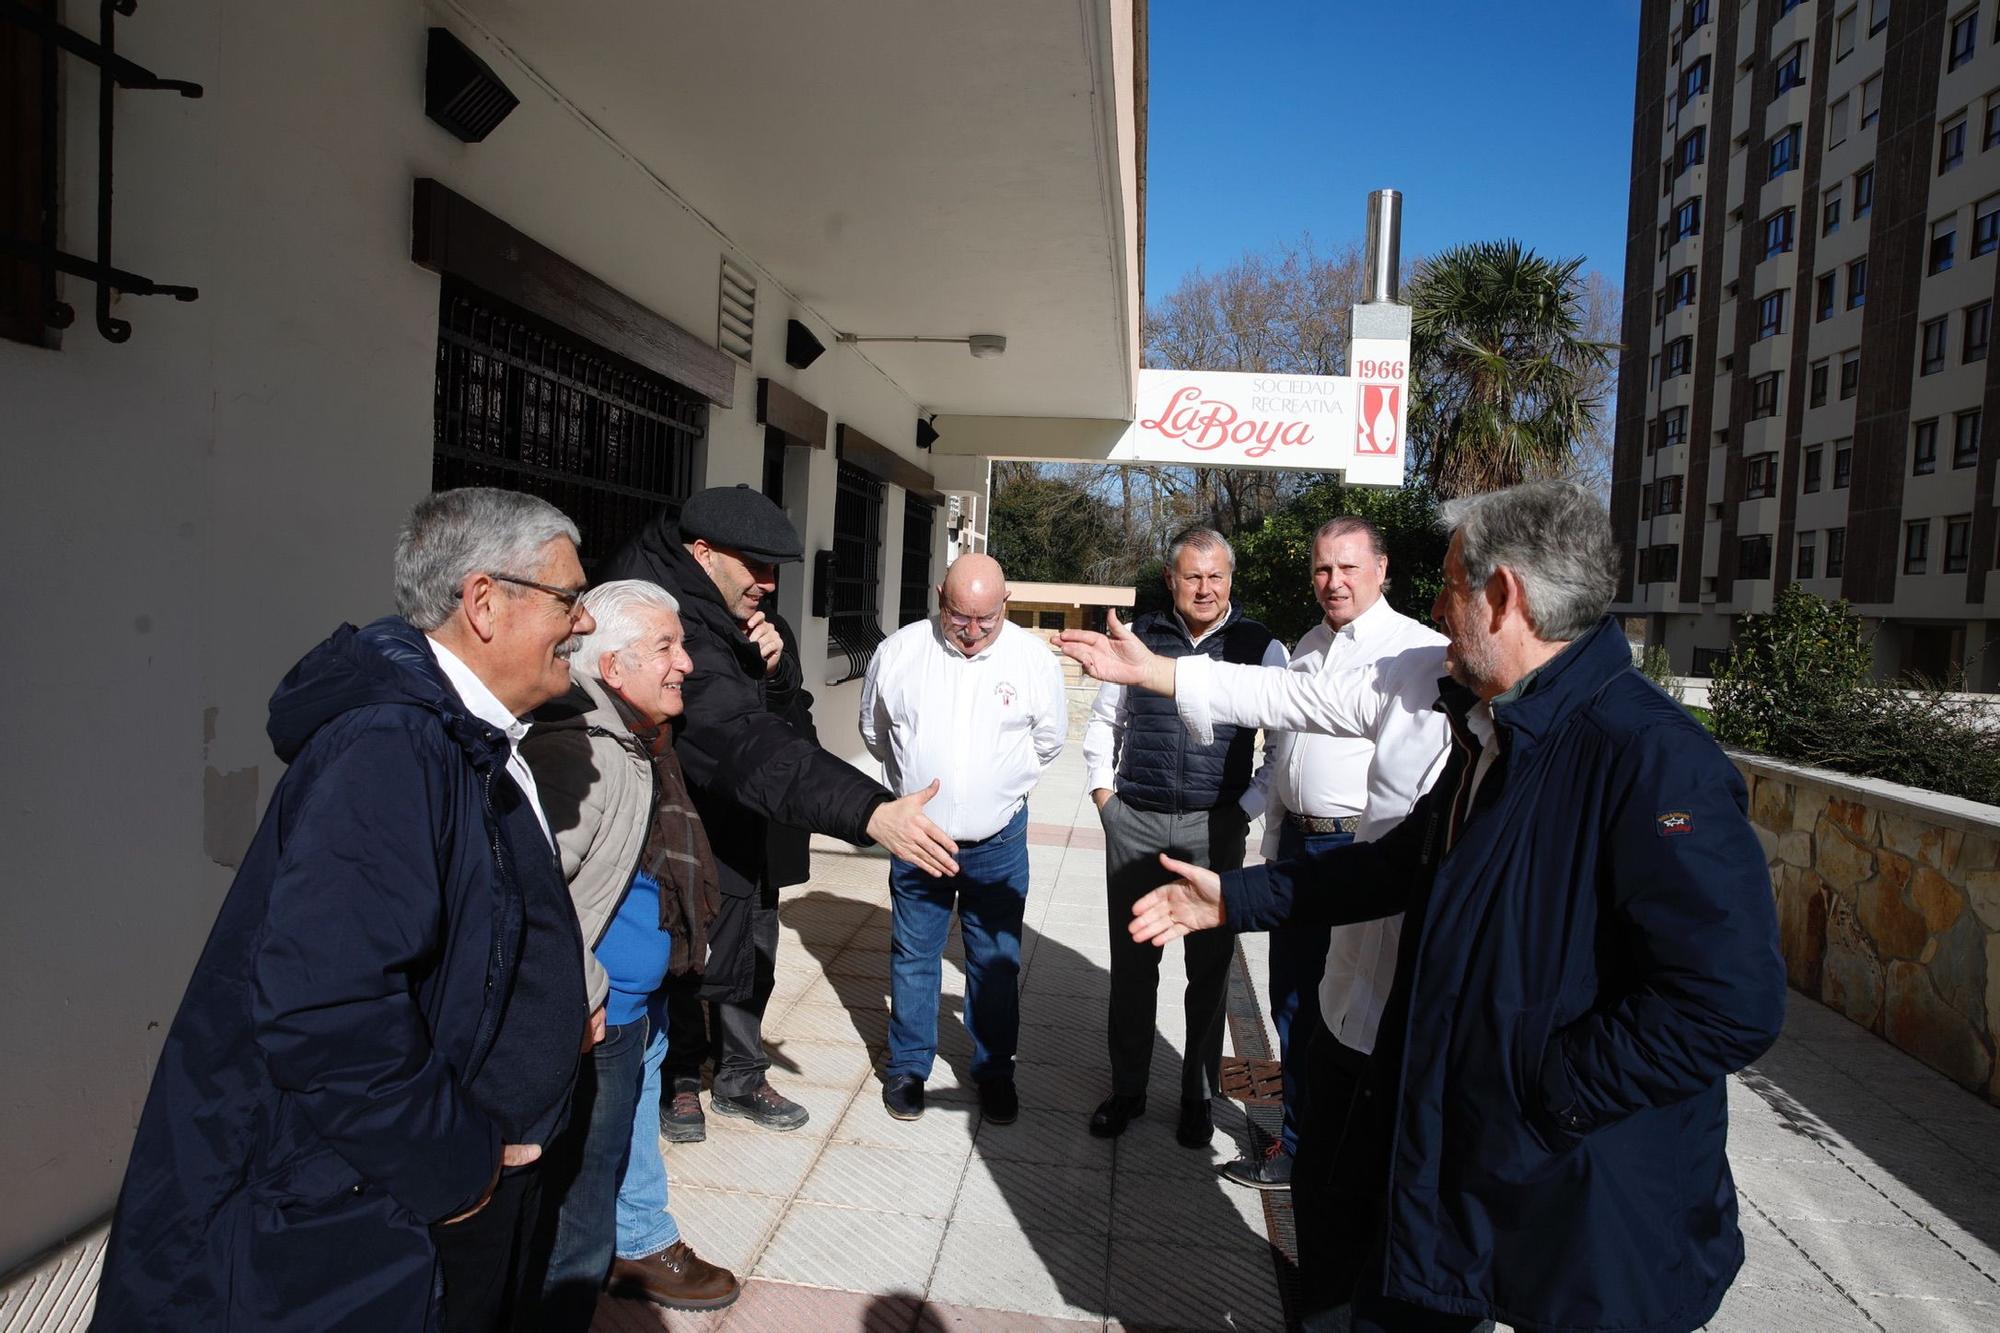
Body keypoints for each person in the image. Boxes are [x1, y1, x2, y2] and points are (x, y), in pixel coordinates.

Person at [1081, 481, 1787, 1333]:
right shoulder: (1495, 729)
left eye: (1450, 585)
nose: (1438, 607)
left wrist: (1542, 1085)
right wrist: (1233, 896)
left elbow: (1728, 1003)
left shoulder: (1650, 759)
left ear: (1503, 595)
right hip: (1462, 1148)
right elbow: (1394, 868)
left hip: (1584, 1191)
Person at [92, 488, 599, 1332]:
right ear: (483, 602)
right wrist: (455, 1166)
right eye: (568, 597)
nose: (583, 621)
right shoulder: (392, 746)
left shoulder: (469, 733)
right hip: (390, 1202)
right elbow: (327, 1004)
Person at [599, 485, 959, 1137]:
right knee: (680, 957)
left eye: (775, 569)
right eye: (756, 566)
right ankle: (681, 1081)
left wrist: (773, 670)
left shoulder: (742, 613)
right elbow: (735, 736)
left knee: (750, 950)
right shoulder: (655, 604)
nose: (768, 583)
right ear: (704, 554)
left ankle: (739, 1073)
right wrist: (868, 810)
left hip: (748, 827)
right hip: (680, 831)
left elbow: (787, 719)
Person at [1212, 517, 1449, 1197]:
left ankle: (1351, 1151)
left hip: (1362, 850)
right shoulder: (1307, 647)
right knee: (1292, 1001)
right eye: (1321, 568)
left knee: (1355, 1007)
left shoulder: (1416, 651)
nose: (1332, 581)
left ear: (1381, 569)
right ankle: (1297, 1140)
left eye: (1347, 567)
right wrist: (1272, 833)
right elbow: (1283, 752)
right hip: (1299, 844)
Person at [524, 581, 739, 1324]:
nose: (685, 661)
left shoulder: (641, 733)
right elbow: (535, 892)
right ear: (613, 668)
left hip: (630, 1004)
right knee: (582, 1189)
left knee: (621, 1143)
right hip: (597, 1008)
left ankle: (641, 1237)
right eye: (666, 648)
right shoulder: (581, 749)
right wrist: (590, 992)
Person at [1080, 526, 1287, 1148]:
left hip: (1212, 828)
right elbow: (1102, 726)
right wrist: (1106, 802)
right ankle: (1129, 1088)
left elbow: (1280, 750)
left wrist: (1240, 813)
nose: (1205, 588)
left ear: (1231, 579)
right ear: (1171, 578)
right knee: (1133, 968)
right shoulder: (1138, 638)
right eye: (1192, 575)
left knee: (1210, 969)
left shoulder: (1262, 647)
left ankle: (1197, 1095)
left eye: (1216, 575)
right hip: (1136, 822)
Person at [859, 554, 1068, 1123]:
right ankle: (907, 1067)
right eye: (959, 617)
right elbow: (875, 733)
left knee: (995, 959)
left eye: (986, 620)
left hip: (998, 841)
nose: (973, 632)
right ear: (938, 598)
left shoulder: (1031, 659)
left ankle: (995, 1069)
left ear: (1005, 604)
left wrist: (993, 790)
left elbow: (1049, 741)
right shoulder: (899, 652)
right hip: (918, 837)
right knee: (914, 953)